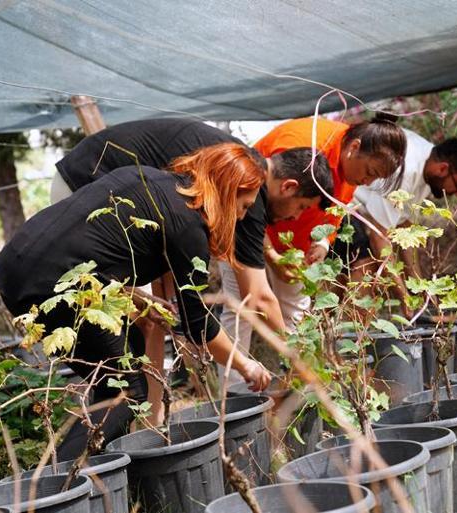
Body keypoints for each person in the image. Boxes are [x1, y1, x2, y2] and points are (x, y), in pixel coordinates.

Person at [0, 143, 272, 459]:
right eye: (244, 205)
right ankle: (56, 484)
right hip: (43, 284)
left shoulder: (148, 178)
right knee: (124, 392)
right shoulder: (188, 224)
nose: (241, 216)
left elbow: (93, 250)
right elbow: (197, 324)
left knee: (128, 355)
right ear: (226, 191)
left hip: (16, 265)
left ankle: (102, 468)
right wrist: (245, 364)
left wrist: (139, 298)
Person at [49, 118, 334, 386]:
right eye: (302, 207)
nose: (296, 218)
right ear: (288, 186)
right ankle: (132, 414)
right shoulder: (250, 189)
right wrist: (299, 357)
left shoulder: (243, 170)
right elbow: (257, 296)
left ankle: (154, 421)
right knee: (142, 321)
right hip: (85, 186)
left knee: (156, 316)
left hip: (93, 183)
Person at [228, 114, 406, 345]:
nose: (367, 182)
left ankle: (297, 378)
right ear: (354, 147)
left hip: (294, 250)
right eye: (370, 172)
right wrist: (270, 255)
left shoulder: (351, 170)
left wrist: (323, 242)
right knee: (242, 307)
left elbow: (336, 208)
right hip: (243, 228)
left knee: (298, 318)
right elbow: (248, 207)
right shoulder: (302, 145)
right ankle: (235, 379)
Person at [349, 133, 457, 304]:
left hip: (357, 209)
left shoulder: (429, 162)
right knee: (367, 267)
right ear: (443, 169)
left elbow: (404, 227)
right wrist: (404, 297)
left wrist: (421, 289)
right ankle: (348, 326)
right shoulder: (405, 171)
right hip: (343, 200)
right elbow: (379, 237)